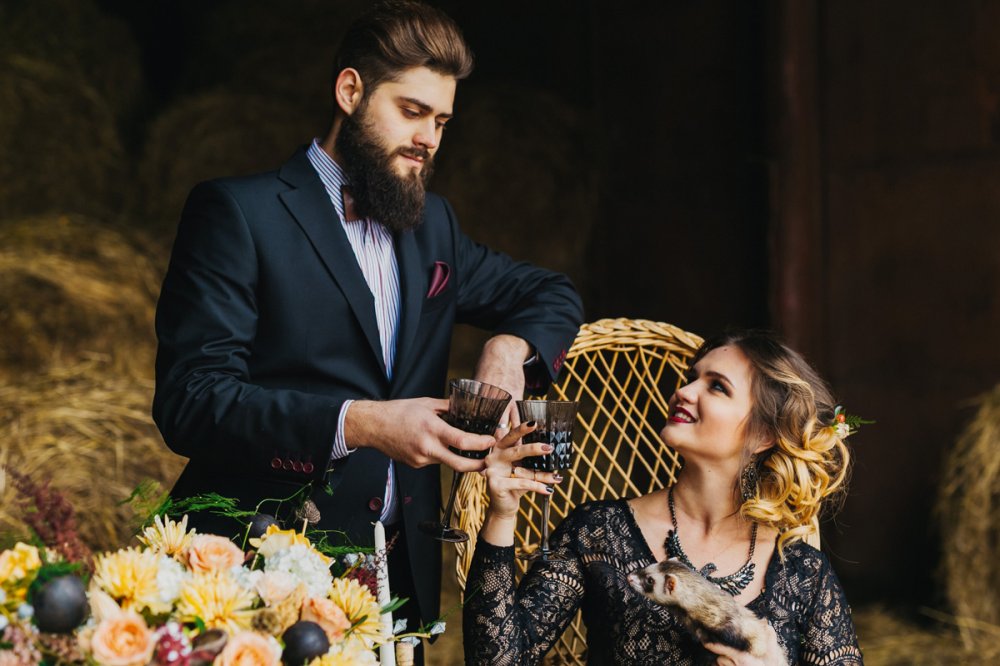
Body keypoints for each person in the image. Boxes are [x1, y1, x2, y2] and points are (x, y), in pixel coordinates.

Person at [151, 0, 583, 654]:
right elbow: (191, 400)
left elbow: (551, 292)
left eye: (441, 121)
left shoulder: (434, 224)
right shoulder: (237, 213)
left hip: (396, 585)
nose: (429, 139)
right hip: (246, 572)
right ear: (350, 91)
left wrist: (506, 350)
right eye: (411, 112)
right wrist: (362, 423)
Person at [463, 331, 864, 665]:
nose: (684, 391)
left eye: (717, 387)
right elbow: (496, 661)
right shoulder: (598, 532)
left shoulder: (802, 570)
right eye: (692, 378)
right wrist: (502, 513)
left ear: (763, 436)